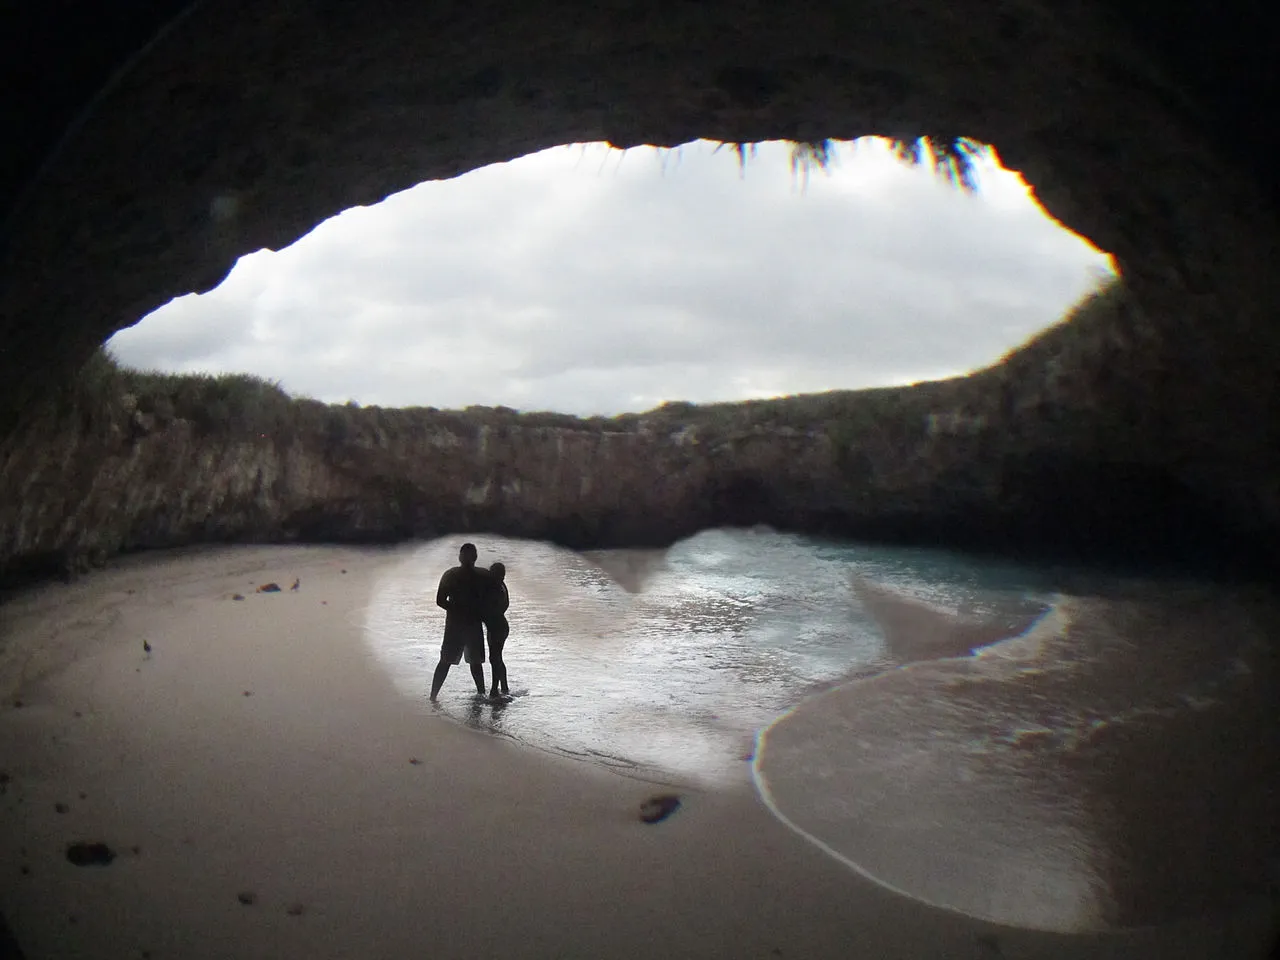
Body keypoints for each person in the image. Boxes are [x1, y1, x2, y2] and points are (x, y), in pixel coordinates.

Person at [430, 543, 489, 700]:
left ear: (459, 557)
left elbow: (440, 600)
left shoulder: (451, 574)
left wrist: (457, 609)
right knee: (474, 663)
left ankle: (433, 697)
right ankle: (481, 696)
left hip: (456, 624)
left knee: (447, 661)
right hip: (471, 623)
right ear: (476, 557)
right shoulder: (483, 575)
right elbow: (495, 597)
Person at [484, 561, 511, 698]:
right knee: (497, 657)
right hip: (500, 625)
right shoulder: (502, 586)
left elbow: (489, 609)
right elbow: (504, 606)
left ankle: (495, 689)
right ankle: (504, 687)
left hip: (496, 627)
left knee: (494, 658)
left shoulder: (495, 588)